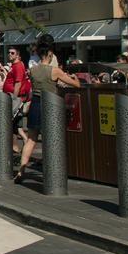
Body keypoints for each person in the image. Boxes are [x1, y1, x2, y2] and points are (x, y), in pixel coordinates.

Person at [16, 35, 81, 183]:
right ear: (50, 54)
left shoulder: (32, 70)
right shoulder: (55, 70)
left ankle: (21, 171)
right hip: (50, 104)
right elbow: (75, 85)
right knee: (51, 139)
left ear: (38, 54)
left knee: (31, 139)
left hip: (35, 104)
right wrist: (75, 78)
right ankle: (52, 172)